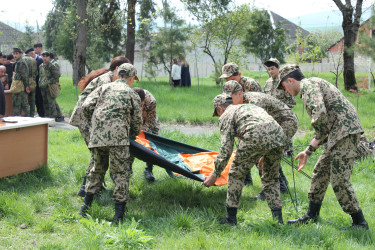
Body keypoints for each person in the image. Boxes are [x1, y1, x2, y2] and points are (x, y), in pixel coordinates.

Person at [277, 64, 369, 230]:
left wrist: (313, 143)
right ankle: (312, 215)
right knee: (320, 172)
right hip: (337, 134)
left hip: (345, 133)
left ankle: (360, 223)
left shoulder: (308, 86)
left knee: (339, 180)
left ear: (290, 80)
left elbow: (320, 115)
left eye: (284, 86)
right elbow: (325, 123)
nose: (286, 91)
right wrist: (308, 151)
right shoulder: (311, 85)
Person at [204, 94, 286, 225]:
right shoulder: (247, 107)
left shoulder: (226, 115)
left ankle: (231, 219)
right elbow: (265, 129)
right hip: (279, 134)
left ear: (219, 109)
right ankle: (278, 221)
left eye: (217, 113)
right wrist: (263, 152)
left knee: (236, 173)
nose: (219, 116)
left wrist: (215, 175)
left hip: (256, 134)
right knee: (271, 178)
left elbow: (226, 150)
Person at [79, 63, 142, 225]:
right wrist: (132, 134)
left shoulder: (104, 88)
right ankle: (118, 216)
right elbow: (137, 121)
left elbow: (86, 106)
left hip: (98, 137)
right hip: (118, 139)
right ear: (131, 78)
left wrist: (97, 123)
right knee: (120, 173)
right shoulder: (131, 93)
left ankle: (85, 208)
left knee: (97, 170)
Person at [223, 80, 298, 198]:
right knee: (264, 154)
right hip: (273, 124)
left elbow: (259, 130)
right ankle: (281, 186)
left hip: (286, 122)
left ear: (239, 94)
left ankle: (270, 191)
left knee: (264, 157)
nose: (230, 103)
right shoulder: (243, 102)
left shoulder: (254, 102)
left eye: (231, 98)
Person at [71, 56, 131, 197]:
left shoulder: (111, 79)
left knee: (98, 153)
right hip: (85, 117)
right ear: (117, 69)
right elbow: (95, 105)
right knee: (97, 153)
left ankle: (91, 188)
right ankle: (86, 189)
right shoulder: (106, 80)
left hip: (90, 117)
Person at [219, 62, 262, 185]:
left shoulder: (251, 85)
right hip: (241, 123)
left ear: (239, 75)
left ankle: (279, 186)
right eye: (226, 79)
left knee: (259, 155)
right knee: (241, 153)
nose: (228, 81)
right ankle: (246, 181)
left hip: (256, 123)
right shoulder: (229, 86)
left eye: (231, 78)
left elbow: (257, 108)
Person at [133, 87, 174, 182]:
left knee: (153, 142)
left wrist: (141, 134)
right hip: (135, 120)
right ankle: (128, 168)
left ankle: (149, 169)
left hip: (149, 120)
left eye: (141, 105)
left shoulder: (151, 101)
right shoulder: (129, 97)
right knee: (130, 142)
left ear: (145, 100)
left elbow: (150, 123)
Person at [39, 51, 63, 121]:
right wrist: (40, 83)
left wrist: (48, 82)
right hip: (43, 87)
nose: (45, 58)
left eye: (46, 56)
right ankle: (47, 116)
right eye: (43, 56)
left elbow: (56, 76)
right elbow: (41, 76)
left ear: (49, 57)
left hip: (50, 87)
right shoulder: (41, 66)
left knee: (51, 102)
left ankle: (53, 116)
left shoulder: (51, 66)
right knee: (45, 102)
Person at [12, 48, 30, 116]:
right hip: (19, 85)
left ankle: (28, 119)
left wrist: (26, 86)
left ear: (20, 54)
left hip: (20, 86)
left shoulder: (21, 62)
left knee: (21, 104)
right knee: (20, 104)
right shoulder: (18, 62)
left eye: (16, 54)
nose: (15, 55)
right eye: (14, 53)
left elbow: (24, 75)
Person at [48, 52, 64, 122]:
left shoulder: (54, 64)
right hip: (51, 84)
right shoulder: (50, 64)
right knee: (53, 100)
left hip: (54, 84)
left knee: (53, 100)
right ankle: (59, 115)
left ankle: (56, 115)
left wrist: (50, 80)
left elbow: (58, 75)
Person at [24, 48, 38, 117]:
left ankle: (26, 115)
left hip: (23, 83)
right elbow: (36, 73)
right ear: (31, 53)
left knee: (24, 100)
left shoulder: (22, 60)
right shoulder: (34, 61)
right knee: (32, 100)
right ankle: (32, 115)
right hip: (32, 82)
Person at [32, 46, 45, 117]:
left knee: (40, 99)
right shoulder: (34, 60)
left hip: (39, 82)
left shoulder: (39, 60)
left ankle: (42, 113)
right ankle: (40, 113)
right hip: (35, 83)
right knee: (37, 99)